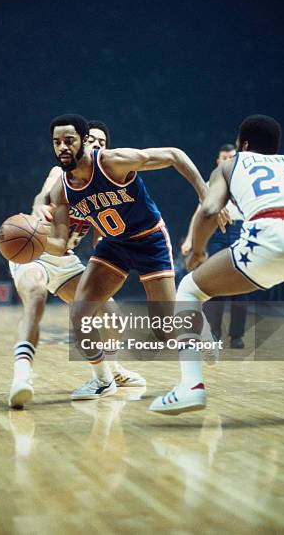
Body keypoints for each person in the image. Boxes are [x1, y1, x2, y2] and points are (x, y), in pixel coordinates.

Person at [150, 114, 284, 415]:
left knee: (189, 290)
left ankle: (190, 387)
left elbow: (209, 211)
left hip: (267, 238)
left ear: (243, 144)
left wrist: (197, 252)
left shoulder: (230, 165)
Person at [46, 113, 209, 400]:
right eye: (56, 142)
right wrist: (33, 241)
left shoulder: (112, 162)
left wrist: (205, 195)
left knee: (164, 330)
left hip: (149, 241)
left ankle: (196, 345)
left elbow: (174, 154)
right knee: (80, 314)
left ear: (84, 141)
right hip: (114, 246)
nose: (62, 147)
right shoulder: (61, 188)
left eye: (69, 140)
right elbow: (59, 243)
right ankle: (102, 380)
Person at [8, 120, 145, 409]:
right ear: (81, 142)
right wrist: (36, 210)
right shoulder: (61, 173)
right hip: (35, 250)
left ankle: (112, 369)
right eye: (91, 140)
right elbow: (41, 197)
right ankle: (22, 376)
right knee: (36, 296)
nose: (96, 145)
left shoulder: (104, 181)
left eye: (102, 142)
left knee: (112, 318)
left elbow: (103, 232)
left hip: (65, 259)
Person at [182, 143, 249, 349]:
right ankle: (214, 333)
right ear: (218, 161)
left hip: (241, 230)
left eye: (232, 156)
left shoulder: (246, 179)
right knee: (214, 284)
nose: (228, 159)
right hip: (218, 232)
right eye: (224, 157)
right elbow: (200, 212)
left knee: (243, 285)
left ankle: (237, 336)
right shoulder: (212, 181)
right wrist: (189, 239)